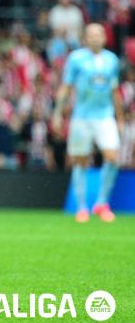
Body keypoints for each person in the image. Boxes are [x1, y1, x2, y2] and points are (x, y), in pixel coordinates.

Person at [52, 24, 124, 223]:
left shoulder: (112, 60)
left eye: (99, 34)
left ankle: (101, 203)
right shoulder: (76, 59)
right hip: (82, 117)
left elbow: (114, 90)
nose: (95, 38)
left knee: (112, 157)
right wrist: (58, 113)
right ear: (85, 38)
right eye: (91, 35)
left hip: (105, 116)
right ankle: (82, 207)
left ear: (104, 37)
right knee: (81, 161)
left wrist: (120, 118)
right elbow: (66, 87)